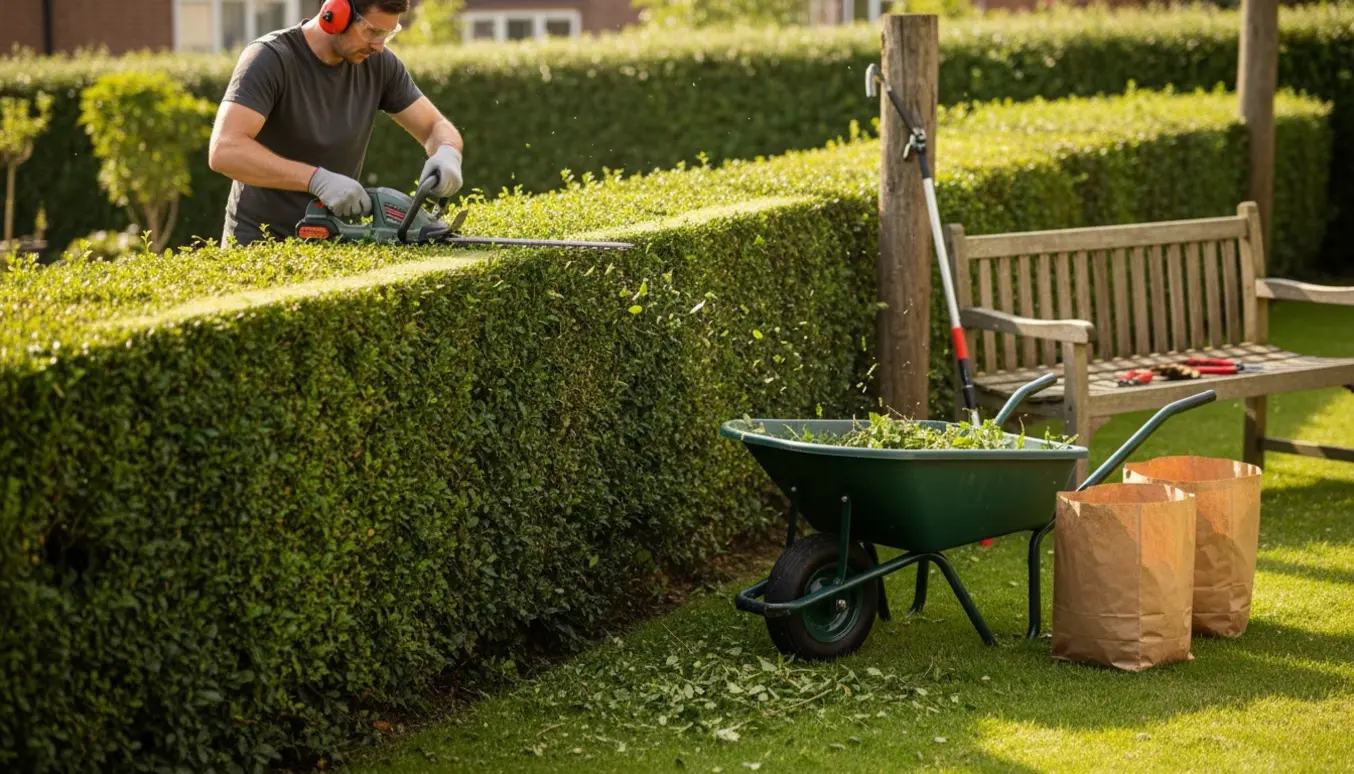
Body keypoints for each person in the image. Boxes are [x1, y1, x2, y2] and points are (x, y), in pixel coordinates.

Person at [208, 0, 464, 247]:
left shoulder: (380, 65)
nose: (379, 46)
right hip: (259, 243)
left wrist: (447, 151)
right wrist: (315, 180)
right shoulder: (271, 58)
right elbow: (226, 150)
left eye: (388, 33)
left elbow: (434, 126)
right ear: (335, 13)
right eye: (373, 31)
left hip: (330, 240)